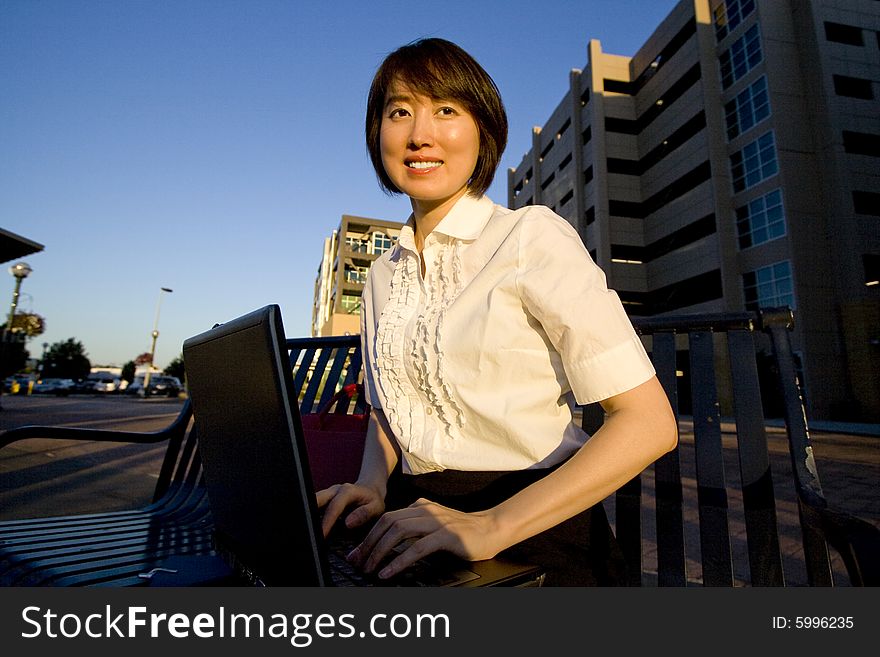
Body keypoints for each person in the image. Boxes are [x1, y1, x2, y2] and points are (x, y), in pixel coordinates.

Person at [317, 37, 678, 586]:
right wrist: (371, 484)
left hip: (533, 526)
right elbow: (390, 412)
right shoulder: (382, 275)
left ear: (482, 131)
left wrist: (490, 526)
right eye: (399, 112)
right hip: (412, 522)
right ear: (378, 135)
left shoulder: (528, 237)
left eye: (445, 110)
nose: (420, 134)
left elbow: (649, 423)